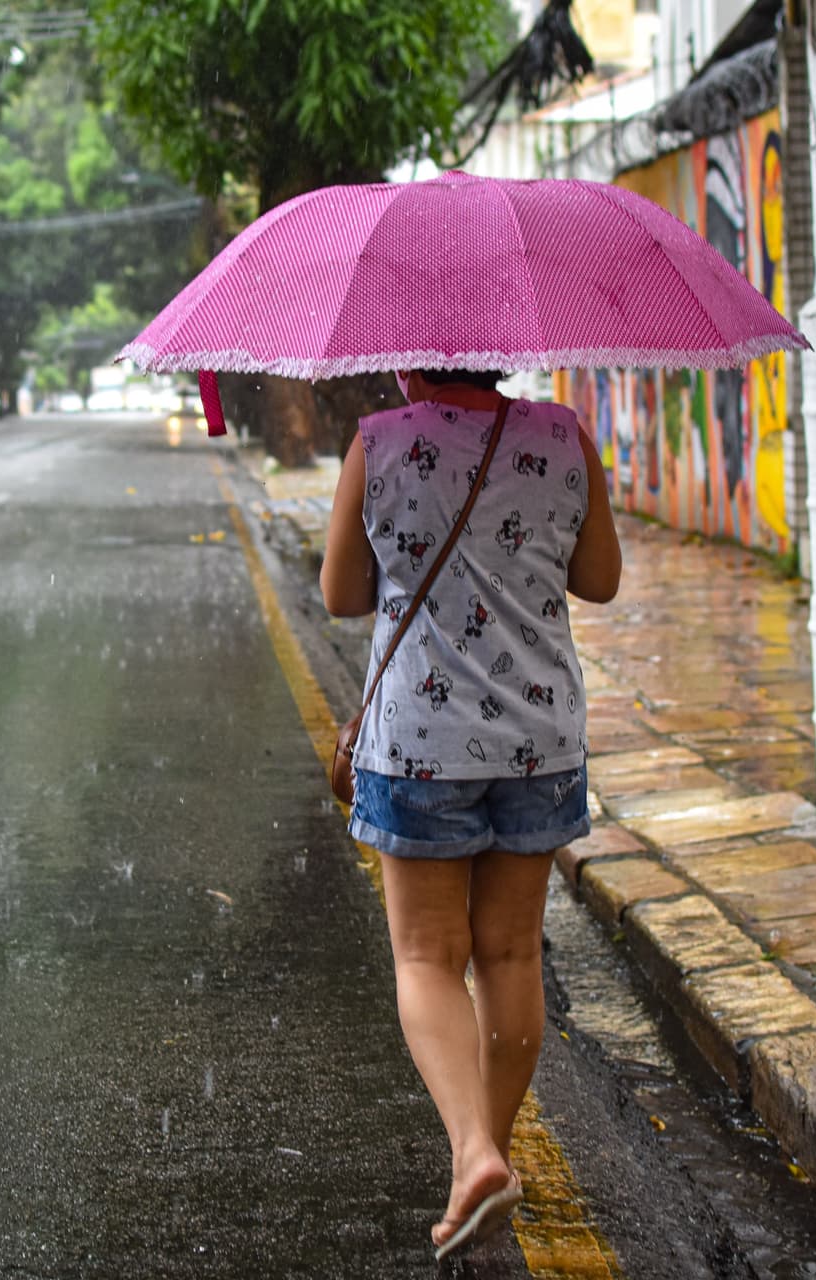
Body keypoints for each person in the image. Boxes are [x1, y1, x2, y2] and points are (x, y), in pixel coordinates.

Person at [320, 368, 621, 1260]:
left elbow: (342, 596)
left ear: (408, 354)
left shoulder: (377, 441)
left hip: (419, 741)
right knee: (511, 953)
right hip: (539, 738)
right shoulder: (564, 435)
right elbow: (599, 580)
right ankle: (482, 1156)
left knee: (426, 955)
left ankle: (474, 1153)